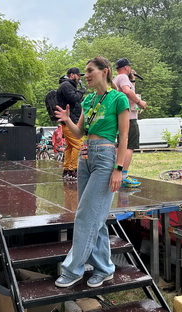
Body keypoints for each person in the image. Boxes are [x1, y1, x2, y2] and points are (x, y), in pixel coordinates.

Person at [54, 56, 129, 288]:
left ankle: (72, 269)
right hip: (85, 157)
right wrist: (67, 120)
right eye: (85, 72)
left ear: (104, 71)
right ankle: (105, 268)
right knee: (95, 216)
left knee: (85, 215)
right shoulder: (88, 100)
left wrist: (119, 169)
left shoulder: (118, 98)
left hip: (105, 158)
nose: (85, 75)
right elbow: (79, 133)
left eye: (90, 71)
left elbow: (124, 137)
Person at [113, 58, 146, 188]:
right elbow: (127, 91)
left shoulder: (117, 78)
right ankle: (124, 176)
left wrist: (133, 80)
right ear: (126, 68)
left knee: (122, 144)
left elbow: (129, 89)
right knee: (129, 146)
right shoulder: (123, 78)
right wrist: (139, 102)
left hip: (121, 116)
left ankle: (119, 173)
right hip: (129, 117)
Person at [56, 67, 86, 180]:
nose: (79, 78)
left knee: (70, 146)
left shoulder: (67, 85)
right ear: (72, 75)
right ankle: (73, 169)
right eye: (78, 75)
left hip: (69, 121)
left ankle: (67, 169)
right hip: (71, 121)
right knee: (78, 144)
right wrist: (81, 91)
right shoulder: (66, 85)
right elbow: (74, 98)